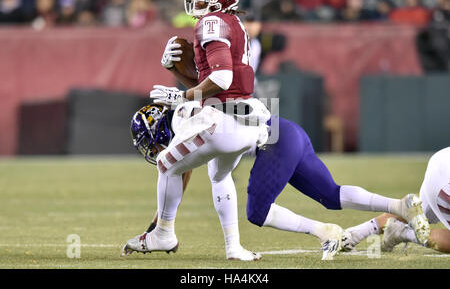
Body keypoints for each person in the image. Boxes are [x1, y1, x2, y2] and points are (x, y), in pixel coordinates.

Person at [124, 103, 431, 261]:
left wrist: (161, 225)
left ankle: (323, 231)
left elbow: (183, 169)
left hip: (273, 142)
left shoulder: (185, 126)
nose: (154, 152)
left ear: (157, 131)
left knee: (256, 211)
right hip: (285, 128)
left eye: (151, 145)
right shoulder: (188, 116)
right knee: (331, 195)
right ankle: (399, 204)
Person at [123, 0, 272, 261]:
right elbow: (219, 83)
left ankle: (163, 234)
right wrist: (177, 73)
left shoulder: (212, 22)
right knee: (220, 176)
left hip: (223, 122)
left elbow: (223, 79)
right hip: (244, 121)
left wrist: (181, 95)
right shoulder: (233, 22)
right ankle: (234, 248)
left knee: (167, 163)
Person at [342, 147, 450, 254]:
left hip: (442, 159)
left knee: (416, 212)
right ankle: (403, 233)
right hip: (445, 183)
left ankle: (353, 234)